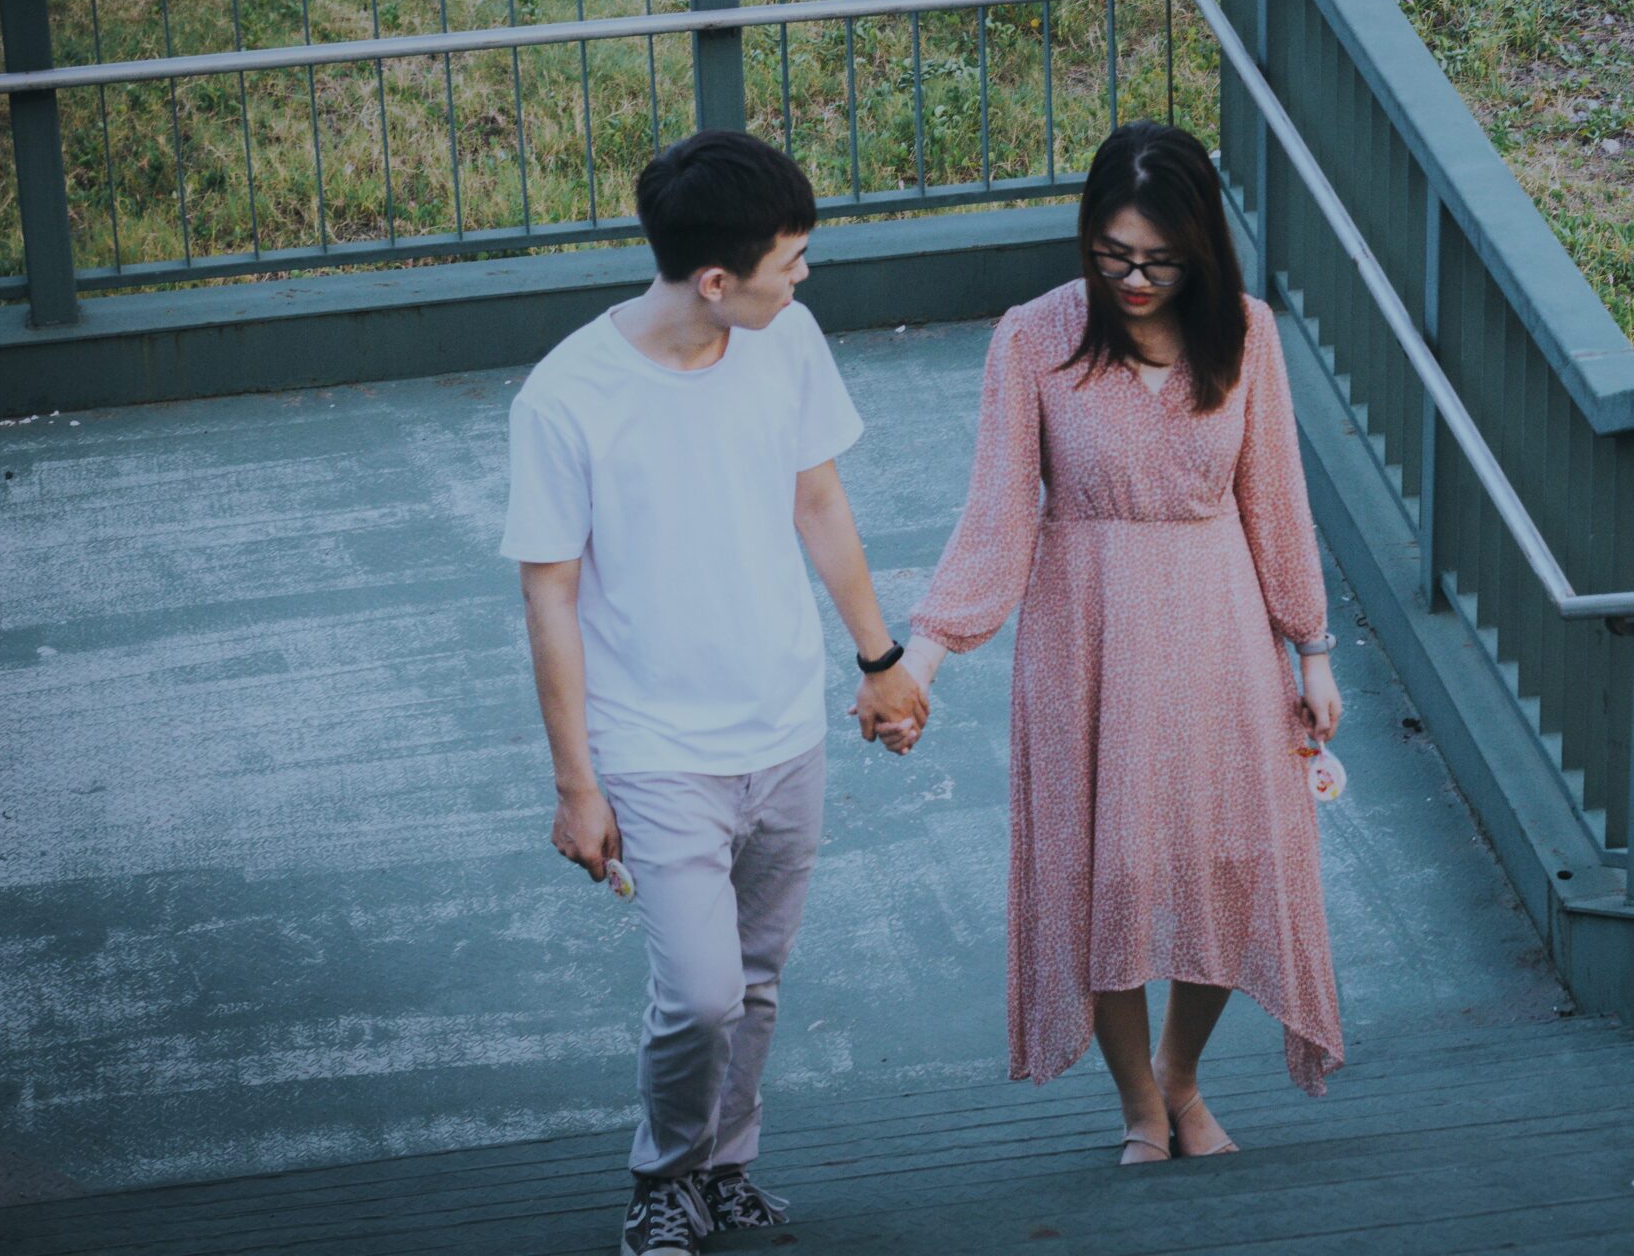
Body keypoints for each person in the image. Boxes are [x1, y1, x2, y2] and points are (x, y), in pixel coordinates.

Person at [500, 129, 929, 1256]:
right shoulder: (566, 398)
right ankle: (662, 1178)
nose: (804, 278)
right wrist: (573, 786)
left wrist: (880, 666)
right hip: (654, 749)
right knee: (698, 994)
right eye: (790, 260)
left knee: (756, 980)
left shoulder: (784, 343)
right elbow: (549, 601)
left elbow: (820, 506)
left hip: (786, 729)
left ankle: (724, 1167)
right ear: (713, 280)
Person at [900, 120, 1348, 1167]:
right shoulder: (1034, 337)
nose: (1133, 278)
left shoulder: (1245, 333)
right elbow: (996, 516)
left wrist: (1311, 651)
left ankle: (1185, 1077)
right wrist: (922, 657)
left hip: (1219, 628)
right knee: (1104, 874)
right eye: (1111, 255)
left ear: (1201, 248)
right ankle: (1139, 1102)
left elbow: (1274, 500)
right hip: (1085, 633)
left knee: (1230, 860)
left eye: (1158, 259)